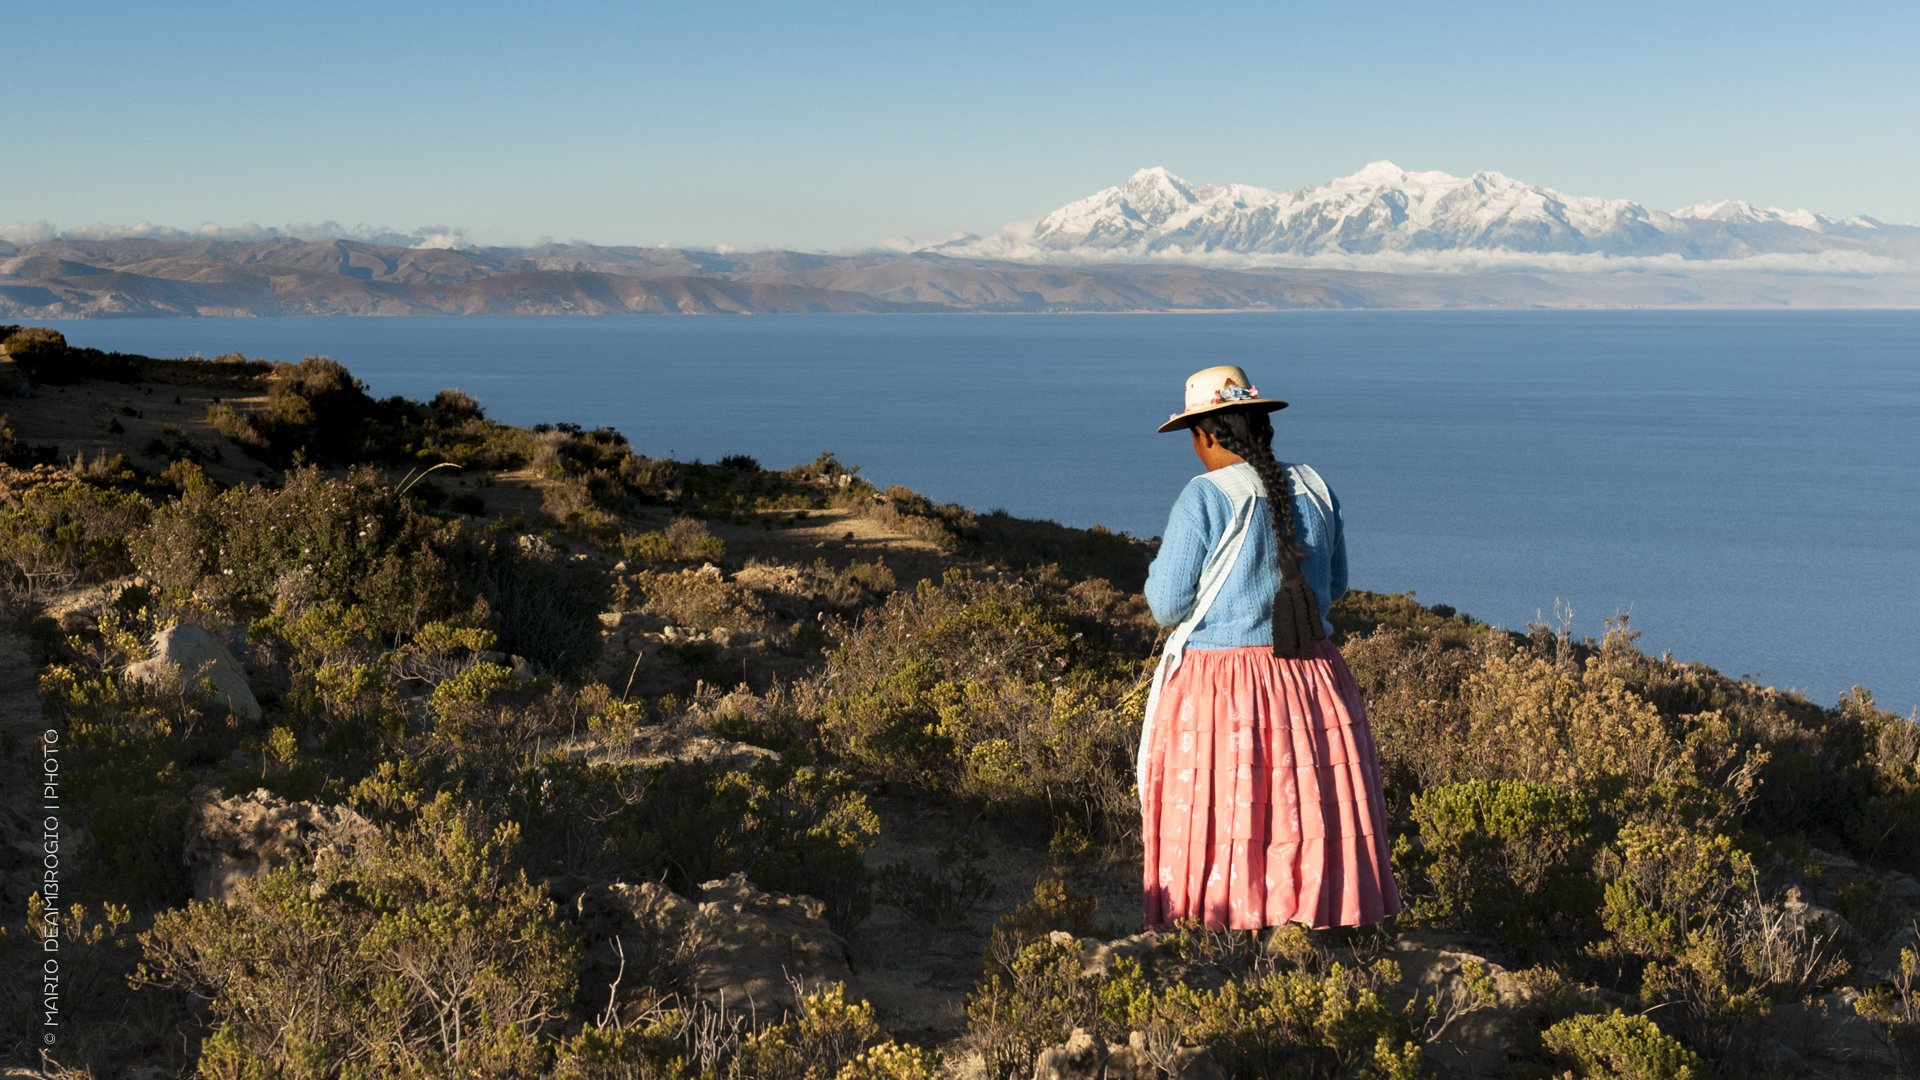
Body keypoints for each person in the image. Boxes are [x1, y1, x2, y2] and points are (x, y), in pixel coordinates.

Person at [1139, 365, 1399, 931]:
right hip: (1312, 677)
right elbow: (1335, 586)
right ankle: (1316, 921)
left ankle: (1224, 929)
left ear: (1205, 434)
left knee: (1229, 806)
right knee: (1303, 807)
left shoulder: (1203, 498)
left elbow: (1166, 604)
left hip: (1224, 692)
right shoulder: (1315, 487)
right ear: (1262, 427)